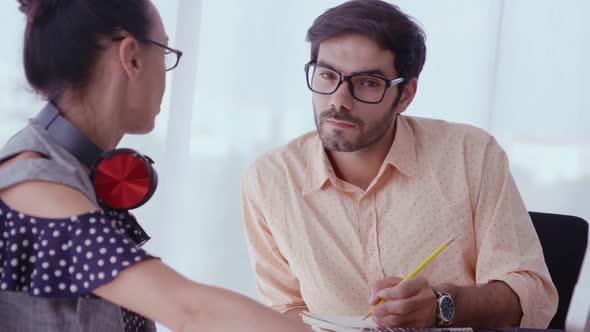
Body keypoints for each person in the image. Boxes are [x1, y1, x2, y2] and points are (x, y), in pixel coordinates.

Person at [241, 0, 558, 329]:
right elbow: (286, 307)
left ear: (405, 94)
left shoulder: (471, 154)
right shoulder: (269, 179)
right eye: (327, 75)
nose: (338, 100)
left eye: (367, 83)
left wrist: (442, 305)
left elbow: (533, 294)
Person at [0, 0, 309, 331]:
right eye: (164, 51)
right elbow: (190, 311)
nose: (165, 71)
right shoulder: (35, 184)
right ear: (132, 57)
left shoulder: (70, 171)